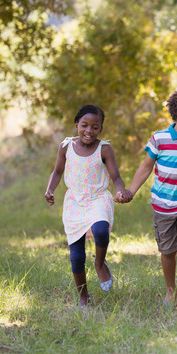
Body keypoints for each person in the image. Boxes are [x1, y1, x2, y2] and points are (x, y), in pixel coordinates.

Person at [116, 88, 177, 311]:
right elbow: (145, 168)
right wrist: (130, 191)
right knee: (168, 251)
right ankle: (170, 289)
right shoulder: (159, 138)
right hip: (163, 204)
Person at [44, 105, 129, 309]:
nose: (88, 131)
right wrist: (50, 190)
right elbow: (57, 171)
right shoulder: (65, 146)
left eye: (94, 127)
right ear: (76, 125)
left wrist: (120, 190)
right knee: (76, 256)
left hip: (98, 198)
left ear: (100, 129)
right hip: (75, 201)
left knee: (100, 230)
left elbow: (116, 177)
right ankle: (83, 296)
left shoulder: (104, 149)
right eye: (84, 125)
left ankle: (99, 263)